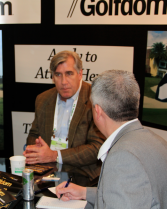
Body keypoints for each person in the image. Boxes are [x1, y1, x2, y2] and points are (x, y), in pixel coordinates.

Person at [56, 70, 167, 208]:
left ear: (97, 111)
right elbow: (132, 193)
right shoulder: (158, 142)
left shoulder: (122, 157)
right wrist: (84, 192)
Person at [23, 50, 105, 168]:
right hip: (47, 168)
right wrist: (36, 153)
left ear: (80, 74)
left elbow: (96, 147)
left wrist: (55, 155)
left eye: (69, 73)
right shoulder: (43, 99)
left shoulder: (95, 98)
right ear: (53, 77)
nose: (64, 82)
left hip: (81, 173)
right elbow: (34, 134)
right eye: (58, 74)